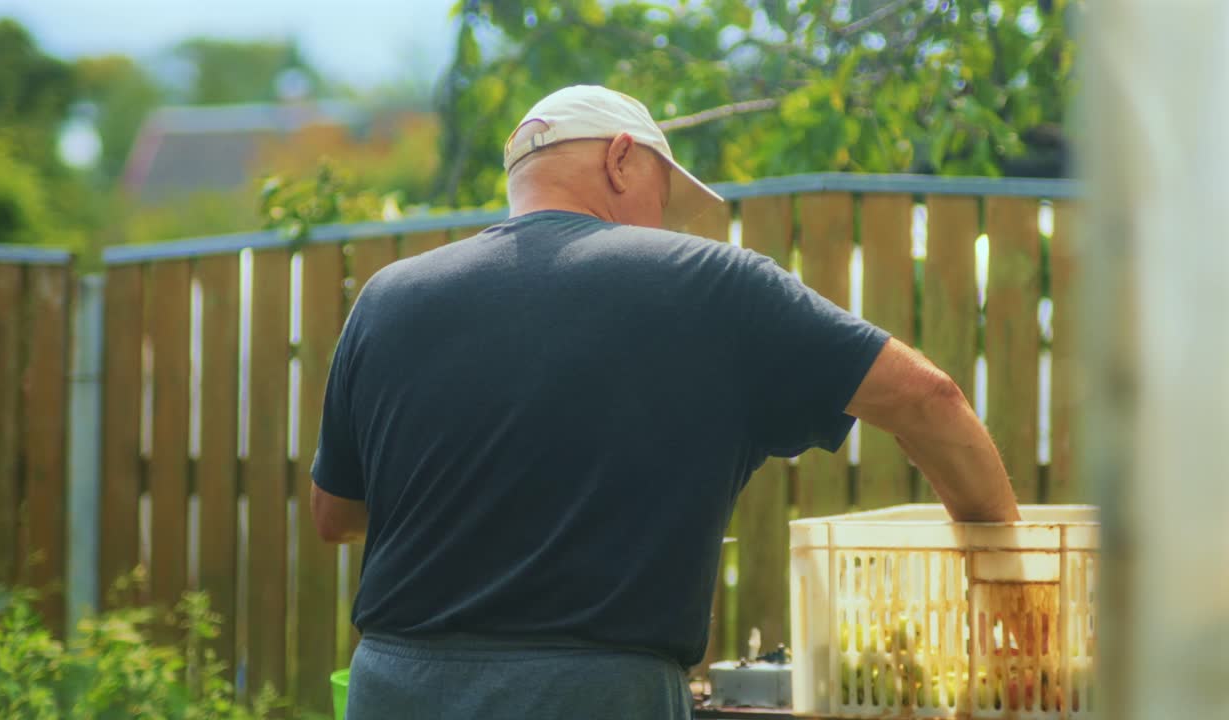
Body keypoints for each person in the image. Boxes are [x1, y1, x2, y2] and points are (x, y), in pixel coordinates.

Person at [310, 85, 1020, 720]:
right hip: (590, 695)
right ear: (621, 159)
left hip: (392, 685)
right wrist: (1004, 562)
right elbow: (929, 397)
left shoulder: (388, 298)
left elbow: (336, 515)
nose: (663, 223)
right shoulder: (712, 284)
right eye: (664, 197)